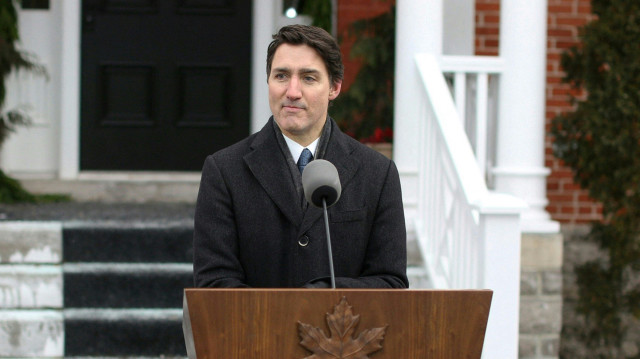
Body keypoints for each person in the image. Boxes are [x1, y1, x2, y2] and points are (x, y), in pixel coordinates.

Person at [193, 24, 407, 288]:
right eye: (281, 76)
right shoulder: (224, 171)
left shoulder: (378, 173)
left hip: (341, 328)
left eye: (308, 78)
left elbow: (390, 282)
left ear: (335, 87)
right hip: (256, 328)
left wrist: (319, 300)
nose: (292, 92)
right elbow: (214, 284)